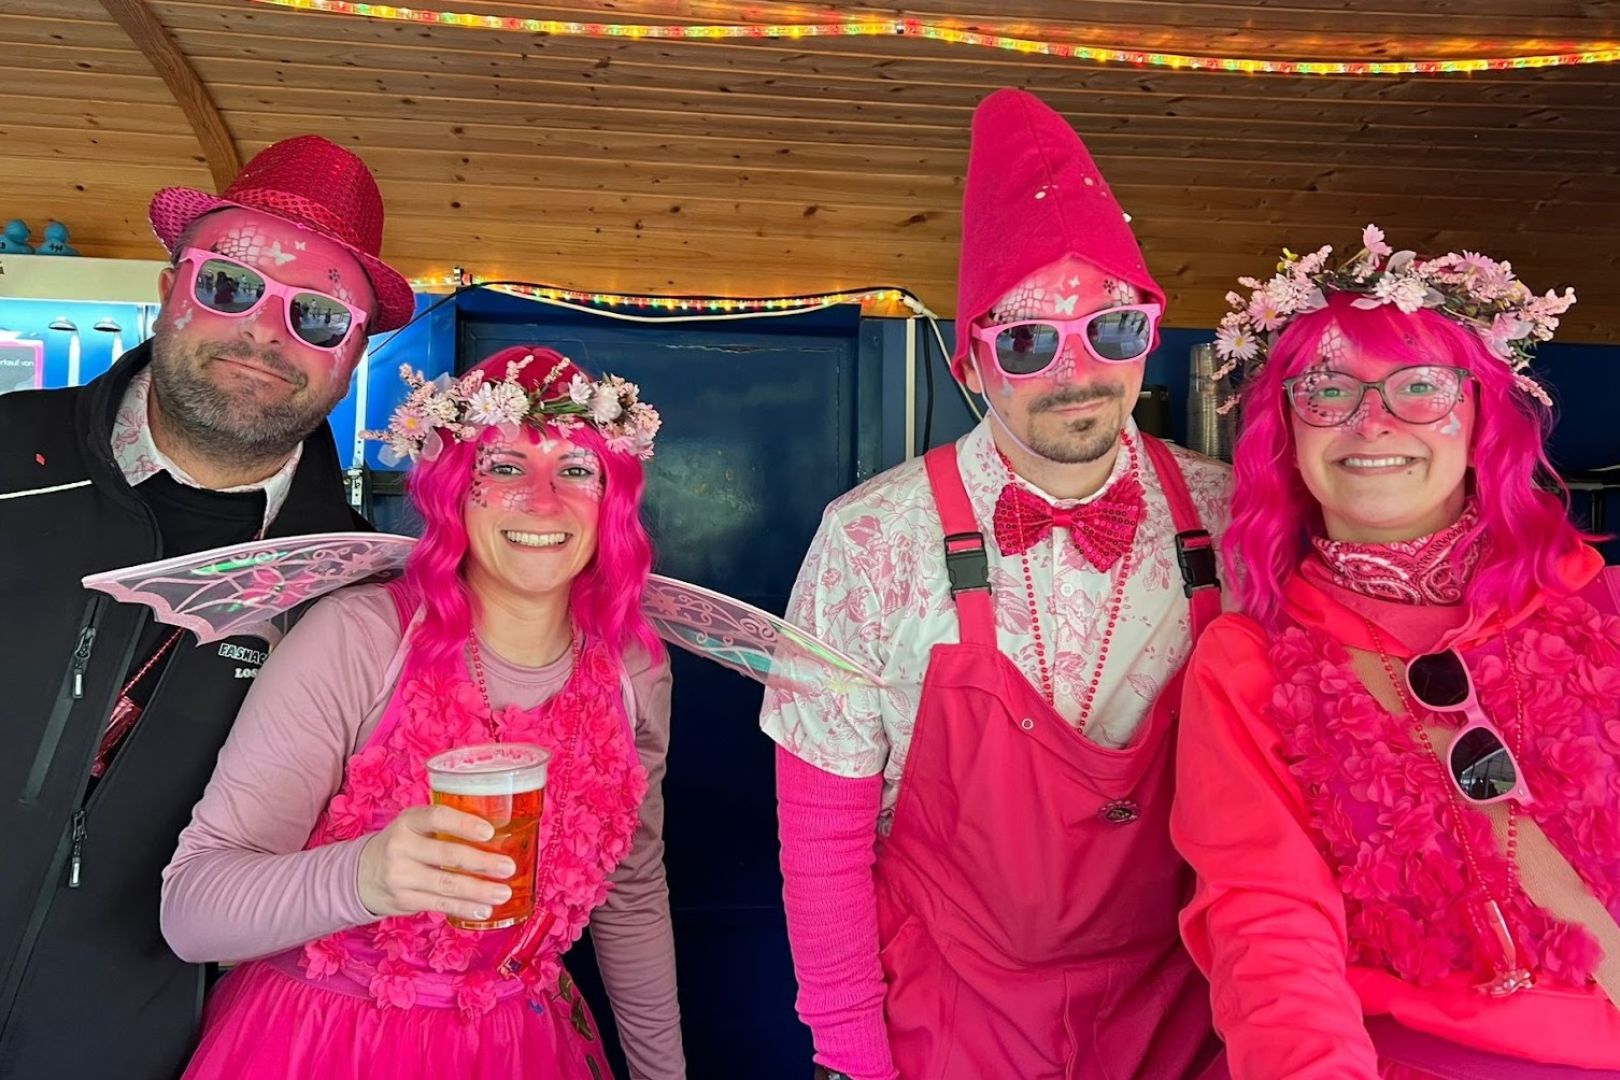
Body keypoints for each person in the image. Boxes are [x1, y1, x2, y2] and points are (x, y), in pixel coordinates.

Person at [761, 87, 1231, 1080]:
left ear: (1151, 333)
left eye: (1111, 329)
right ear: (971, 362)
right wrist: (851, 1057)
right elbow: (821, 839)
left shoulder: (1234, 519)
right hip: (950, 1023)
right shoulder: (868, 539)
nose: (1077, 373)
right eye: (1026, 340)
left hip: (1184, 1020)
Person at [0, 135, 414, 1079]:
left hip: (141, 1046)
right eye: (231, 286)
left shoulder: (357, 589)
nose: (266, 333)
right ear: (169, 287)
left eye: (318, 315)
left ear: (354, 355)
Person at [161, 346, 684, 1079]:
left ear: (613, 498)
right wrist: (366, 876)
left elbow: (630, 895)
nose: (543, 502)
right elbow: (192, 912)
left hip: (525, 1047)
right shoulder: (361, 638)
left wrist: (664, 1074)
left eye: (576, 470)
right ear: (453, 490)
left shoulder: (634, 669)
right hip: (325, 1046)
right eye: (503, 467)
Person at [1171, 227, 1620, 1076]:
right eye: (1328, 390)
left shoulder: (1606, 610)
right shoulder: (1246, 665)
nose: (1370, 422)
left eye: (1419, 386)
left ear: (1481, 414)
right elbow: (1269, 934)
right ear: (1286, 429)